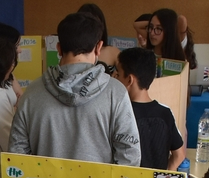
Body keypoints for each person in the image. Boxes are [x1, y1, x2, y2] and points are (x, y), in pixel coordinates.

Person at [8, 12, 140, 166]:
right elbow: (130, 155)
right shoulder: (116, 92)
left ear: (58, 48)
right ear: (98, 48)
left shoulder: (31, 93)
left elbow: (16, 154)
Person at [115, 47, 184, 170]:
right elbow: (179, 155)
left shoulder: (121, 113)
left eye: (118, 74)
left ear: (129, 79)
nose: (115, 78)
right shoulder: (165, 113)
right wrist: (164, 176)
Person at [0, 22, 23, 106]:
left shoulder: (9, 74)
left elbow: (22, 100)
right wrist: (14, 108)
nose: (20, 50)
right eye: (17, 46)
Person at [77, 3, 119, 74]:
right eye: (87, 25)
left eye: (96, 25)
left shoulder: (113, 52)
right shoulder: (72, 52)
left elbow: (128, 77)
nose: (92, 29)